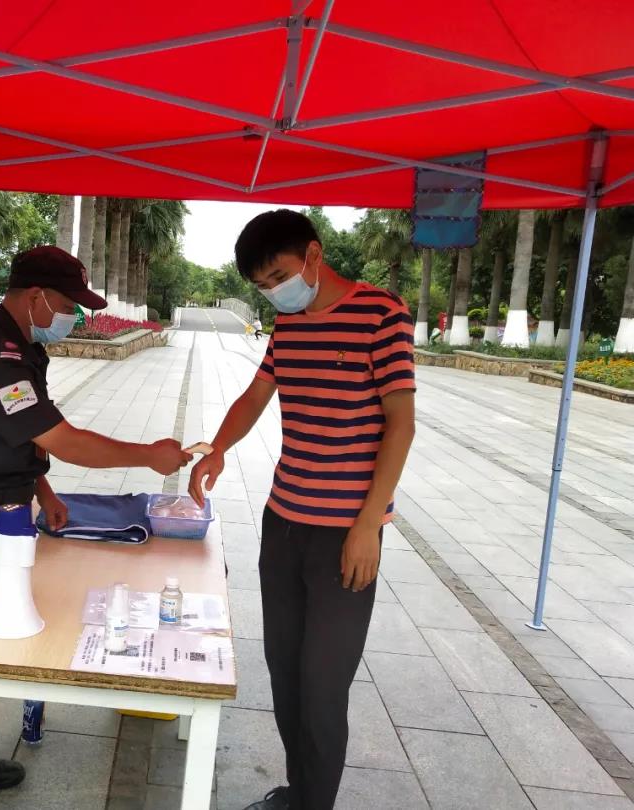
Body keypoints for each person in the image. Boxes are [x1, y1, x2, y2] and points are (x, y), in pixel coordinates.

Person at [0, 245, 191, 810]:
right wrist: (147, 454)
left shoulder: (24, 349)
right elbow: (63, 439)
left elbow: (22, 438)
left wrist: (44, 491)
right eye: (67, 305)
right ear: (35, 296)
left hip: (1, 511)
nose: (73, 317)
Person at [189, 210, 415, 810]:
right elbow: (256, 395)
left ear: (314, 255)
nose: (274, 292)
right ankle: (299, 793)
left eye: (279, 276)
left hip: (346, 535)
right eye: (262, 286)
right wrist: (218, 448)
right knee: (285, 675)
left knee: (322, 687)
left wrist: (368, 525)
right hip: (283, 522)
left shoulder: (382, 314)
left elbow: (401, 422)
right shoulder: (287, 326)